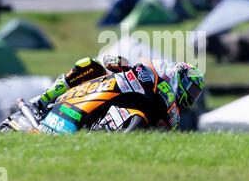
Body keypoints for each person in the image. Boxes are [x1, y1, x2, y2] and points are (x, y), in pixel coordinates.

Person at [30, 55, 205, 130]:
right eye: (191, 89)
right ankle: (41, 101)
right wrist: (119, 63)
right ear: (178, 77)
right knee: (90, 65)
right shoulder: (158, 76)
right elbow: (109, 61)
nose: (191, 96)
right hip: (102, 86)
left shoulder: (173, 115)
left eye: (195, 94)